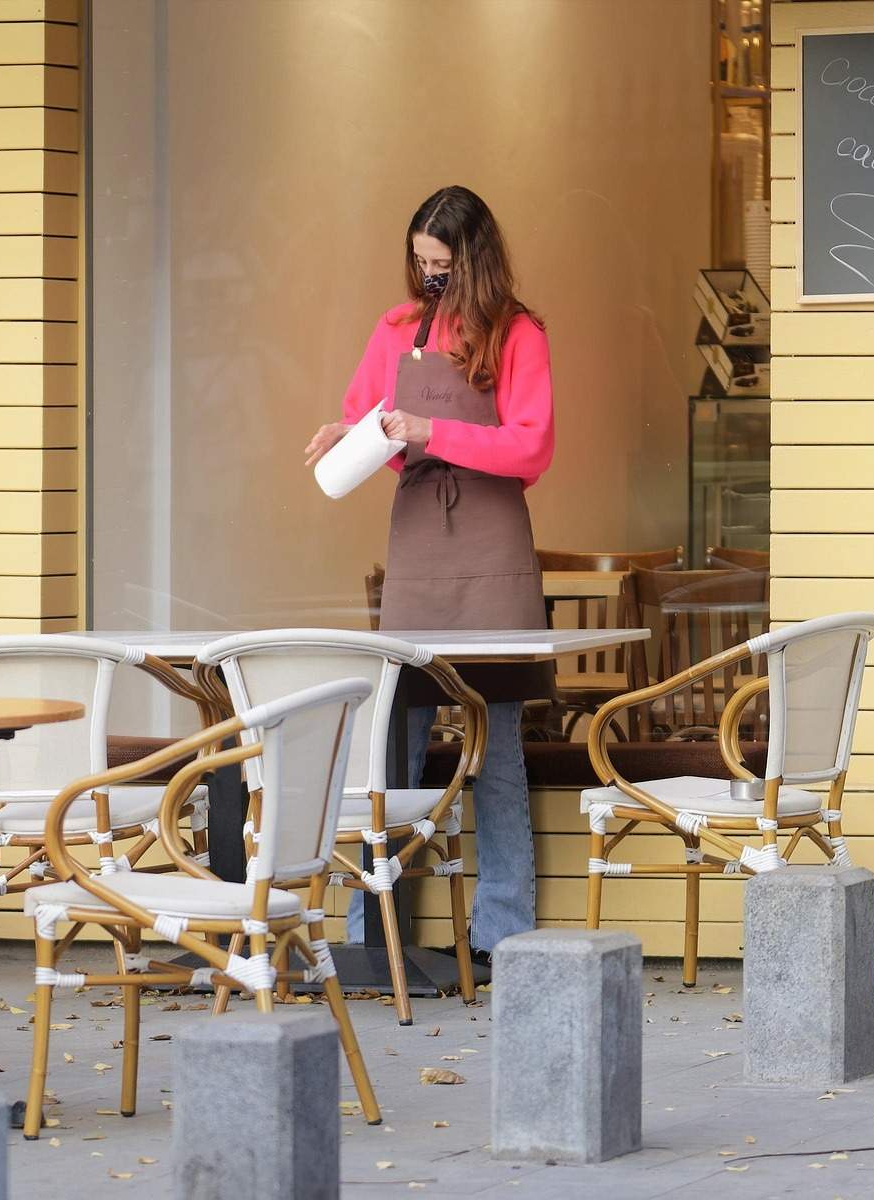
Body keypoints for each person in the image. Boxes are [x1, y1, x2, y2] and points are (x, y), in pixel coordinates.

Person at [304, 185, 554, 961]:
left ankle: (502, 933)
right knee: (394, 736)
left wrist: (431, 428)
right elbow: (370, 416)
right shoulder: (394, 328)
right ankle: (368, 934)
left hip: (493, 544)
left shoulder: (518, 334)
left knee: (499, 745)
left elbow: (530, 448)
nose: (429, 277)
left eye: (441, 263)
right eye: (419, 262)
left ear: (474, 260)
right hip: (418, 539)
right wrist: (345, 433)